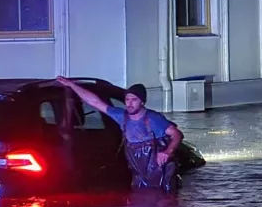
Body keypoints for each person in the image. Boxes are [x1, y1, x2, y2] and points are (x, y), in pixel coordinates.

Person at [56, 76, 185, 192]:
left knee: (164, 205)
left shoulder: (153, 119)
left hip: (161, 174)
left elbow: (177, 135)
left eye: (134, 100)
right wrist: (71, 85)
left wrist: (167, 152)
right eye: (127, 99)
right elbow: (94, 102)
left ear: (142, 102)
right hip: (140, 176)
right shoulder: (121, 116)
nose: (129, 103)